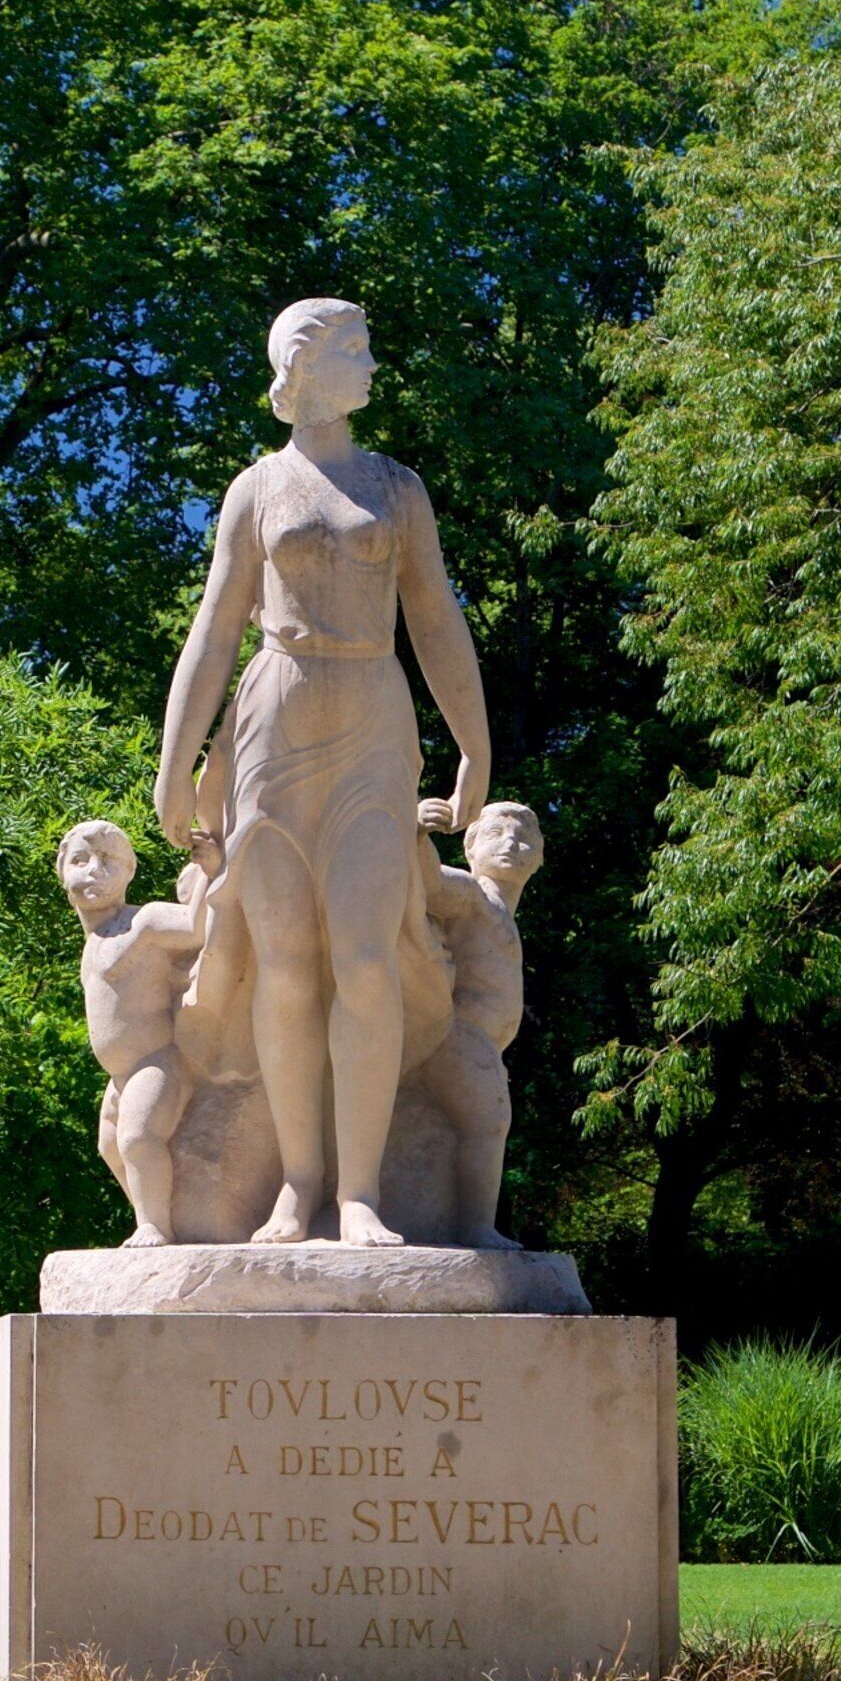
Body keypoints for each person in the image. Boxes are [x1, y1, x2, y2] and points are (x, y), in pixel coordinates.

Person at [151, 299, 489, 1246]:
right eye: (356, 350)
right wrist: (176, 769)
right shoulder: (257, 489)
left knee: (368, 959)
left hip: (373, 719)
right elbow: (215, 629)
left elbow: (435, 620)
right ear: (305, 363)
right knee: (288, 966)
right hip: (273, 723)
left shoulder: (397, 487)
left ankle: (361, 1195)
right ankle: (300, 1188)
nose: (373, 365)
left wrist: (475, 747)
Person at [59, 819, 215, 1245]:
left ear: (129, 872)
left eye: (109, 861)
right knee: (110, 1147)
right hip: (120, 1076)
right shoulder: (93, 940)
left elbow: (198, 928)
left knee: (138, 1137)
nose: (94, 870)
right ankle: (167, 1219)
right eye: (81, 860)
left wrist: (206, 871)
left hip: (157, 1061)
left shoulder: (143, 922)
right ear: (62, 872)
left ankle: (154, 1228)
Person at [409, 802, 545, 1249]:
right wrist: (416, 835)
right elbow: (429, 883)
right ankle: (475, 1228)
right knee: (487, 1122)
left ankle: (469, 1224)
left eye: (524, 837)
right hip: (458, 1035)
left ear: (540, 856)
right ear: (470, 846)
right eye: (497, 834)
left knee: (483, 1125)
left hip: (482, 1043)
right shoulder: (471, 894)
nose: (511, 844)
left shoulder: (505, 913)